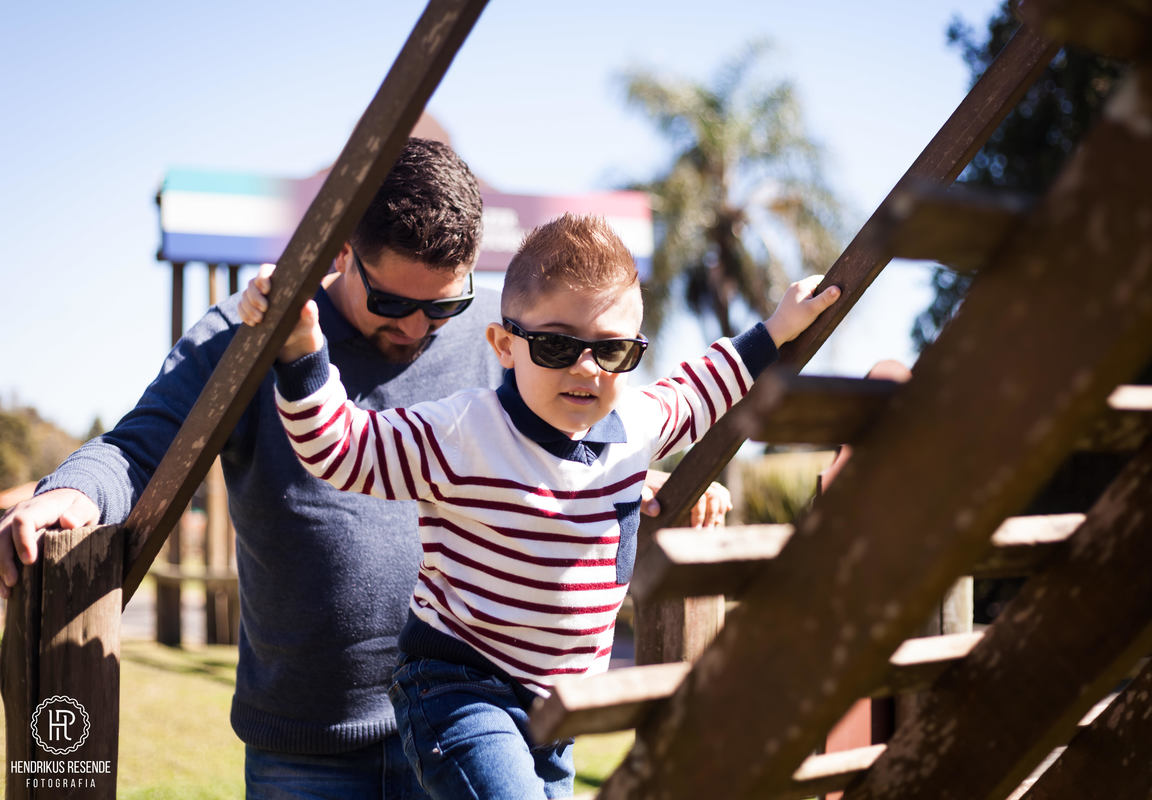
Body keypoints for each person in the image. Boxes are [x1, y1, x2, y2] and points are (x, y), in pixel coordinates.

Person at [0, 139, 728, 799]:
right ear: (344, 251)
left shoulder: (507, 343)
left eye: (443, 305)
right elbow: (141, 444)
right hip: (307, 748)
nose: (415, 328)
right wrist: (69, 490)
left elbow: (565, 444)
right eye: (391, 302)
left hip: (478, 727)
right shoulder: (255, 335)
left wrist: (632, 481)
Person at [245, 212, 841, 798]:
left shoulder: (634, 426)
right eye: (556, 345)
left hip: (559, 716)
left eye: (612, 351)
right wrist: (301, 349)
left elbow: (704, 384)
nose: (587, 368)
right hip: (460, 689)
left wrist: (779, 327)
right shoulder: (463, 432)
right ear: (505, 345)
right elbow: (340, 448)